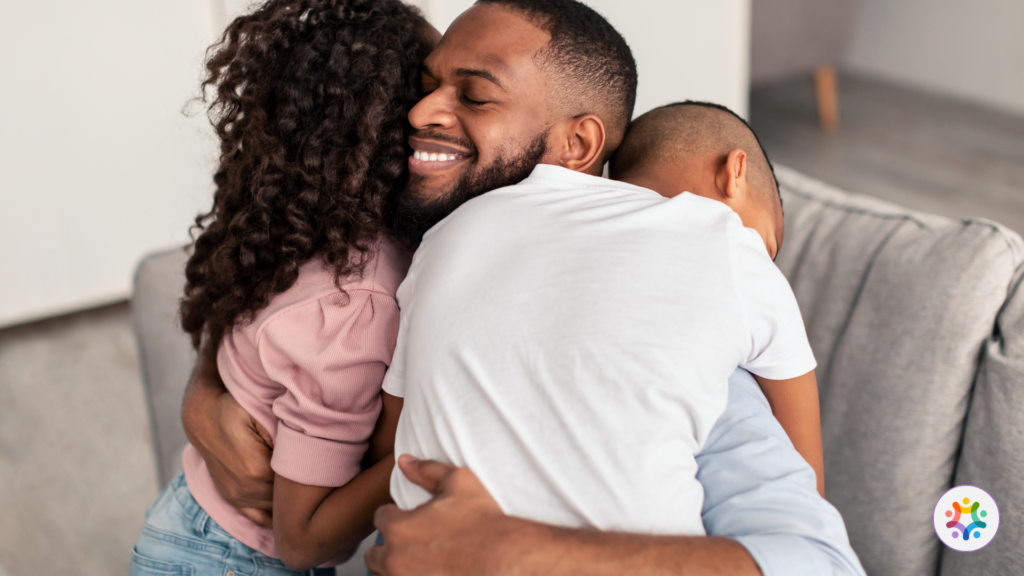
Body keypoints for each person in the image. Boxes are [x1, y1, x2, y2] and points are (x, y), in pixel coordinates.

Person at [184, 0, 866, 574]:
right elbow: (294, 321)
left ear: (579, 145)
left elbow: (811, 547)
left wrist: (524, 550)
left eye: (474, 94)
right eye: (421, 89)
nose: (420, 113)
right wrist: (210, 390)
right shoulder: (430, 241)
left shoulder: (709, 303)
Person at [130, 1, 438, 574]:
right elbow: (303, 541)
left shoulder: (293, 219)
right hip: (231, 558)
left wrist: (200, 402)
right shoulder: (355, 301)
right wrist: (424, 451)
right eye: (433, 88)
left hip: (190, 524)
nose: (443, 110)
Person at [611, 99, 826, 496]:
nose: (765, 259)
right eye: (768, 242)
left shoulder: (547, 210)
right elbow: (805, 480)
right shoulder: (742, 259)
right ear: (735, 172)